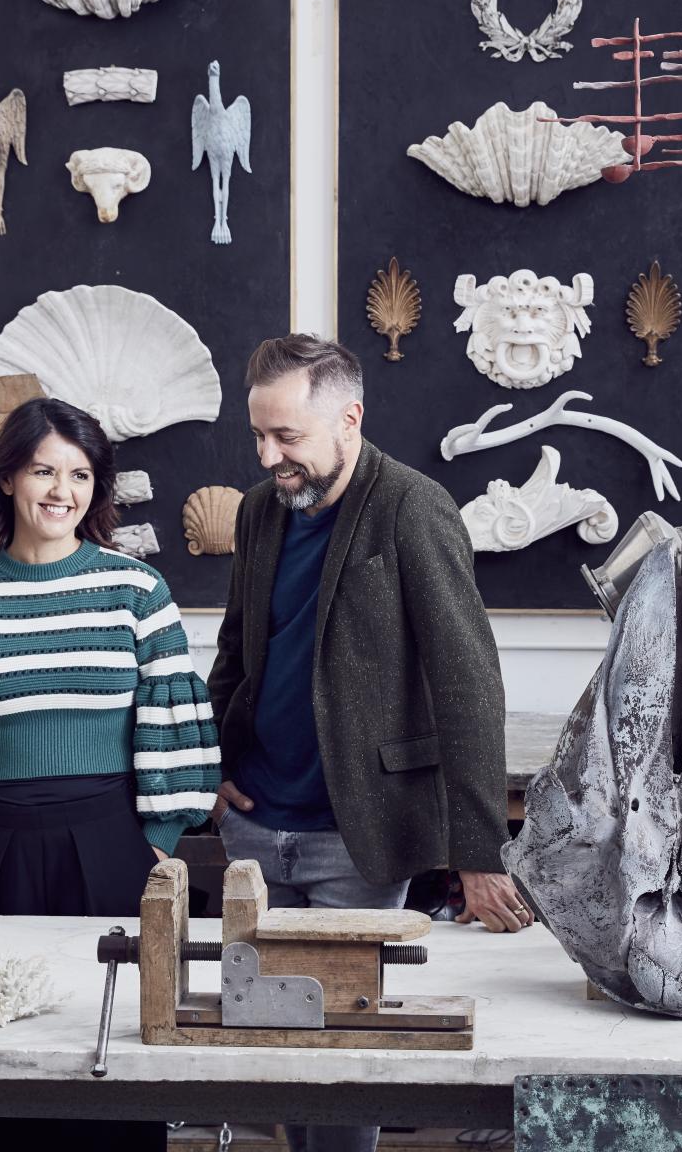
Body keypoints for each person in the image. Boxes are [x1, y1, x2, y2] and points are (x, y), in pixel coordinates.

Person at [207, 335, 530, 1152]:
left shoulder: (414, 507)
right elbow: (236, 649)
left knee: (345, 1060)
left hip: (357, 834)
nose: (268, 455)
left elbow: (468, 686)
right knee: (276, 1048)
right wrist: (213, 763)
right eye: (258, 435)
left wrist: (478, 851)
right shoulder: (257, 510)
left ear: (348, 419)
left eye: (288, 437)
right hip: (254, 829)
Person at [0, 397, 217, 1152]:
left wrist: (159, 841)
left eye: (81, 474)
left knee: (109, 1052)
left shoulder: (136, 591)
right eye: (43, 470)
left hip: (113, 843)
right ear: (7, 479)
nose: (62, 490)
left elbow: (174, 718)